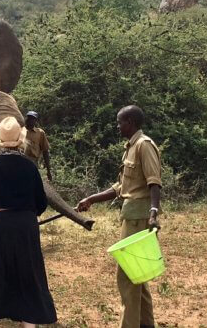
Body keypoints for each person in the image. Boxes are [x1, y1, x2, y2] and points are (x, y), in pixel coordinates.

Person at [76, 105, 161, 328]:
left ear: (131, 122)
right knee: (137, 275)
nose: (117, 126)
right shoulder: (130, 148)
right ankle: (145, 324)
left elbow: (154, 182)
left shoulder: (144, 146)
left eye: (120, 122)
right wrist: (91, 199)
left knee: (127, 275)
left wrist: (154, 212)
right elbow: (121, 187)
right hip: (130, 213)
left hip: (138, 215)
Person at [0, 116, 57, 328]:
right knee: (28, 275)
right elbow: (41, 202)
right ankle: (29, 325)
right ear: (19, 141)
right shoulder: (30, 167)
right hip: (26, 226)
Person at [21, 111, 53, 181]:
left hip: (33, 163)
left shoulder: (40, 133)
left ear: (36, 121)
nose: (30, 120)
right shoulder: (20, 131)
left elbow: (45, 151)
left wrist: (48, 170)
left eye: (33, 118)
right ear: (26, 118)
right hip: (20, 162)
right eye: (29, 118)